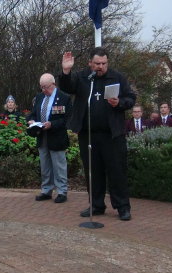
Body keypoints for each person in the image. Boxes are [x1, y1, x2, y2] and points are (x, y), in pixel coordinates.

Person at [58, 48, 135, 221]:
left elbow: (131, 98)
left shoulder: (117, 77)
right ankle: (96, 205)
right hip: (89, 134)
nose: (101, 67)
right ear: (90, 63)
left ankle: (122, 207)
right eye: (97, 64)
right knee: (93, 171)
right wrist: (66, 71)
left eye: (104, 63)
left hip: (112, 134)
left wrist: (119, 103)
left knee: (117, 172)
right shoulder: (83, 77)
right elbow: (66, 87)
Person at [28, 73, 72, 203]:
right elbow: (33, 113)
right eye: (41, 87)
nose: (43, 90)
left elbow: (67, 119)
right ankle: (46, 190)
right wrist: (30, 120)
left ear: (53, 84)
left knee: (59, 165)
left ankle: (62, 191)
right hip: (42, 136)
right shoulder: (39, 97)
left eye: (45, 87)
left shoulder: (64, 97)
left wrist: (52, 124)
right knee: (45, 165)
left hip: (56, 136)